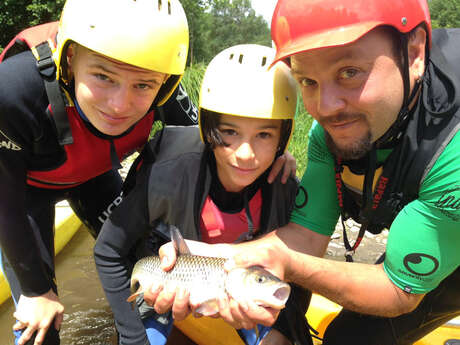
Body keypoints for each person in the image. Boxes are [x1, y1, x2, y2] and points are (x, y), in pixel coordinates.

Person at [147, 0, 460, 344]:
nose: (325, 109)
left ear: (414, 53)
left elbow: (399, 292)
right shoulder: (330, 135)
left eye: (349, 72)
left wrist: (287, 265)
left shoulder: (452, 149)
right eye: (308, 81)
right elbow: (307, 238)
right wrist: (231, 260)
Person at [0, 0, 198, 344]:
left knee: (152, 271)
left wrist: (275, 158)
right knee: (40, 323)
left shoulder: (165, 86)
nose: (119, 106)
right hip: (22, 194)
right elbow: (5, 205)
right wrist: (36, 292)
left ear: (164, 81)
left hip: (94, 177)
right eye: (103, 76)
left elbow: (214, 152)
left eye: (143, 86)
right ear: (72, 58)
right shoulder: (11, 92)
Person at [94, 44, 311, 345]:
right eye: (230, 133)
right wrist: (132, 338)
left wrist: (285, 330)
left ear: (282, 138)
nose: (246, 154)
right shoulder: (166, 171)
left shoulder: (285, 187)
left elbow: (300, 279)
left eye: (264, 134)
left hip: (239, 288)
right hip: (167, 281)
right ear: (208, 129)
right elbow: (108, 251)